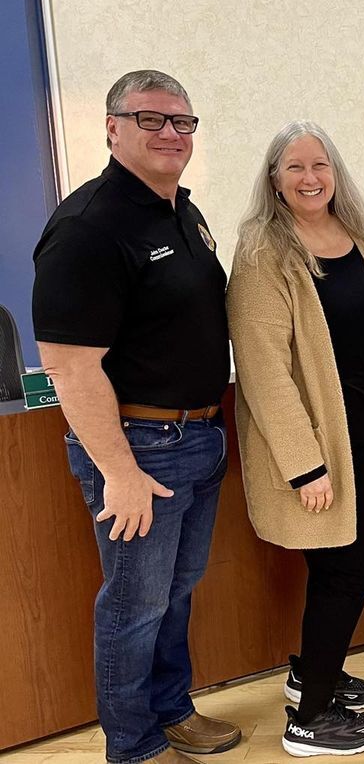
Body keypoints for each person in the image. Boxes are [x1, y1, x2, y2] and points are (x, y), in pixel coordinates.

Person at [32, 70, 238, 764]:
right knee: (133, 606)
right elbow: (67, 364)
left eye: (182, 122)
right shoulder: (90, 226)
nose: (170, 134)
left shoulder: (183, 210)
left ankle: (172, 711)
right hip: (140, 449)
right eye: (150, 120)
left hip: (200, 437)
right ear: (113, 128)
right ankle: (134, 746)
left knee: (175, 595)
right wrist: (117, 470)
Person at [227, 121, 364, 756]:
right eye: (295, 168)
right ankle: (310, 721)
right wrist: (305, 467)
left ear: (335, 172)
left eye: (320, 165)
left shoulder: (362, 238)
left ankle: (314, 674)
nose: (310, 178)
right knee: (345, 575)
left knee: (344, 571)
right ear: (274, 180)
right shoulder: (263, 252)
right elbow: (263, 370)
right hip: (320, 452)